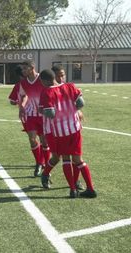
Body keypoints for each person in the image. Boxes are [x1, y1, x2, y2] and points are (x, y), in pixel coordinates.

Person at [38, 69, 97, 198]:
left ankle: (72, 189)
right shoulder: (70, 86)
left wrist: (41, 110)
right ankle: (90, 189)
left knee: (65, 159)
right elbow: (81, 103)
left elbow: (50, 113)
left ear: (45, 80)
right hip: (75, 128)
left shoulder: (47, 92)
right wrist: (72, 110)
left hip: (60, 131)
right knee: (78, 159)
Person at [16, 60, 50, 177]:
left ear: (32, 68)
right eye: (23, 69)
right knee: (32, 139)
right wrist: (22, 108)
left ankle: (46, 165)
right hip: (31, 114)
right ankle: (39, 163)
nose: (23, 71)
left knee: (44, 142)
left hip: (44, 115)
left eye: (25, 69)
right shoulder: (23, 82)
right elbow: (24, 95)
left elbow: (52, 90)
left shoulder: (43, 79)